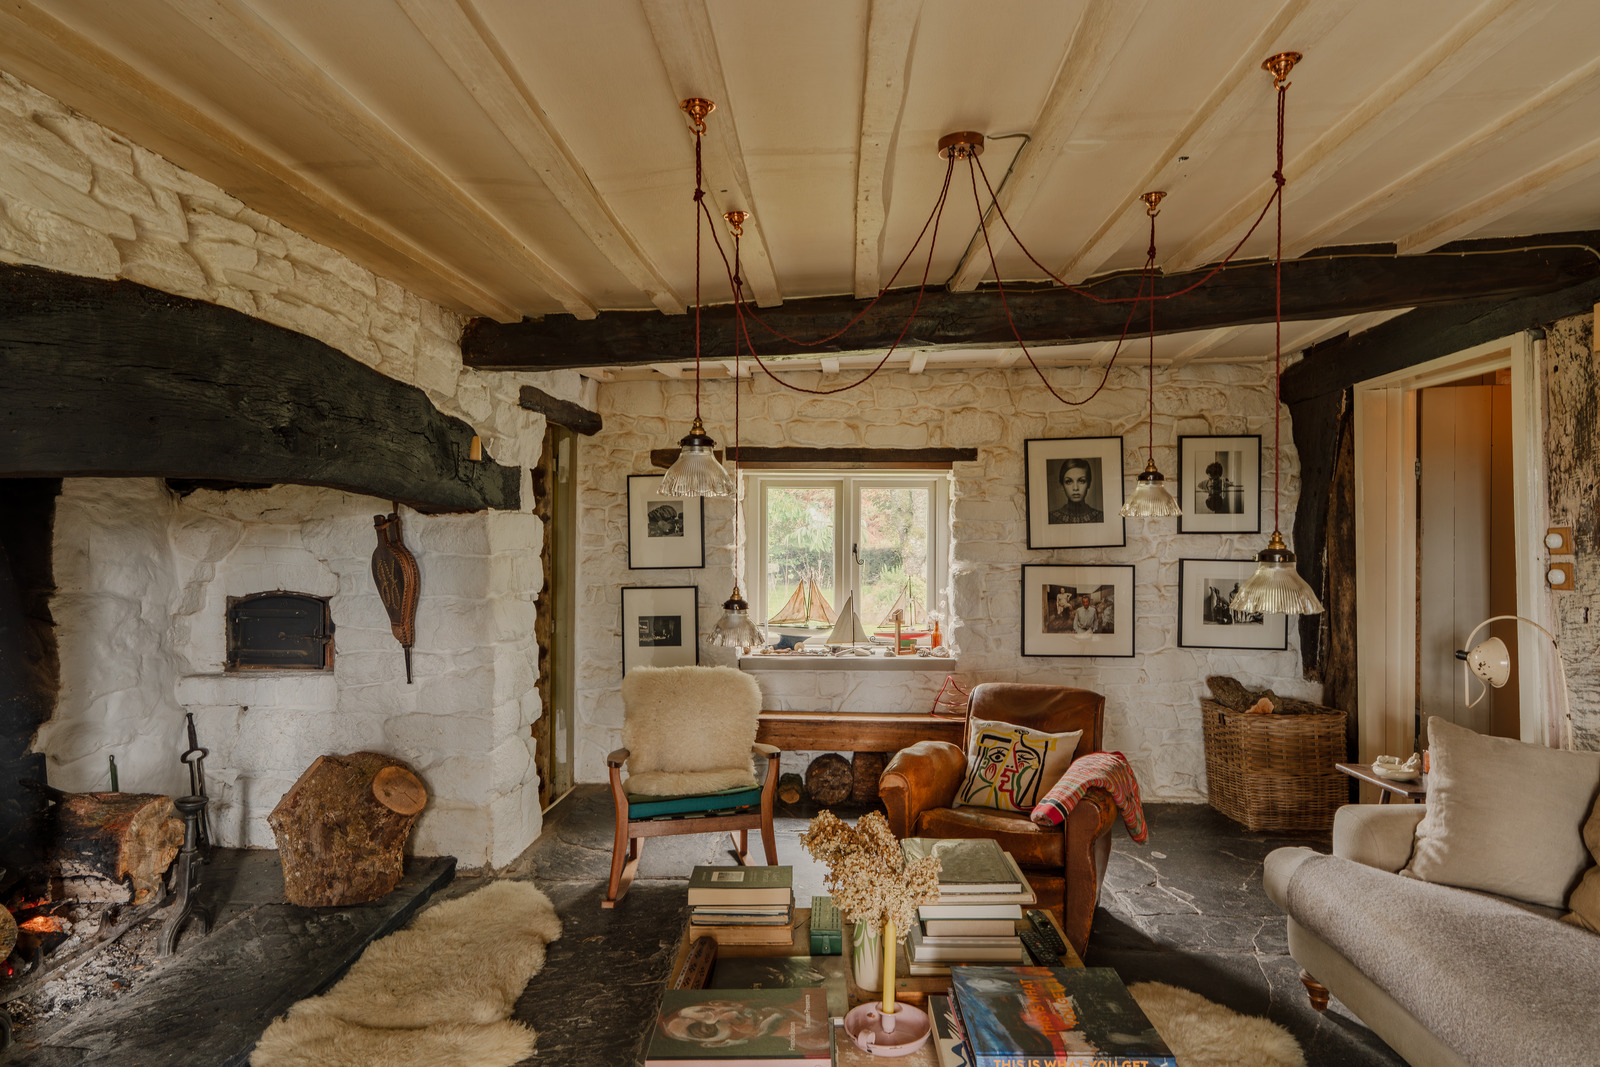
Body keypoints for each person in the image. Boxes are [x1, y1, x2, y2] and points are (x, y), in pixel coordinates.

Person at [1048, 458, 1102, 524]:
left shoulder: (1100, 517)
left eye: (1082, 481)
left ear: (1089, 484)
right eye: (1068, 482)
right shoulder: (1051, 518)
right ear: (1062, 485)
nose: (1075, 488)